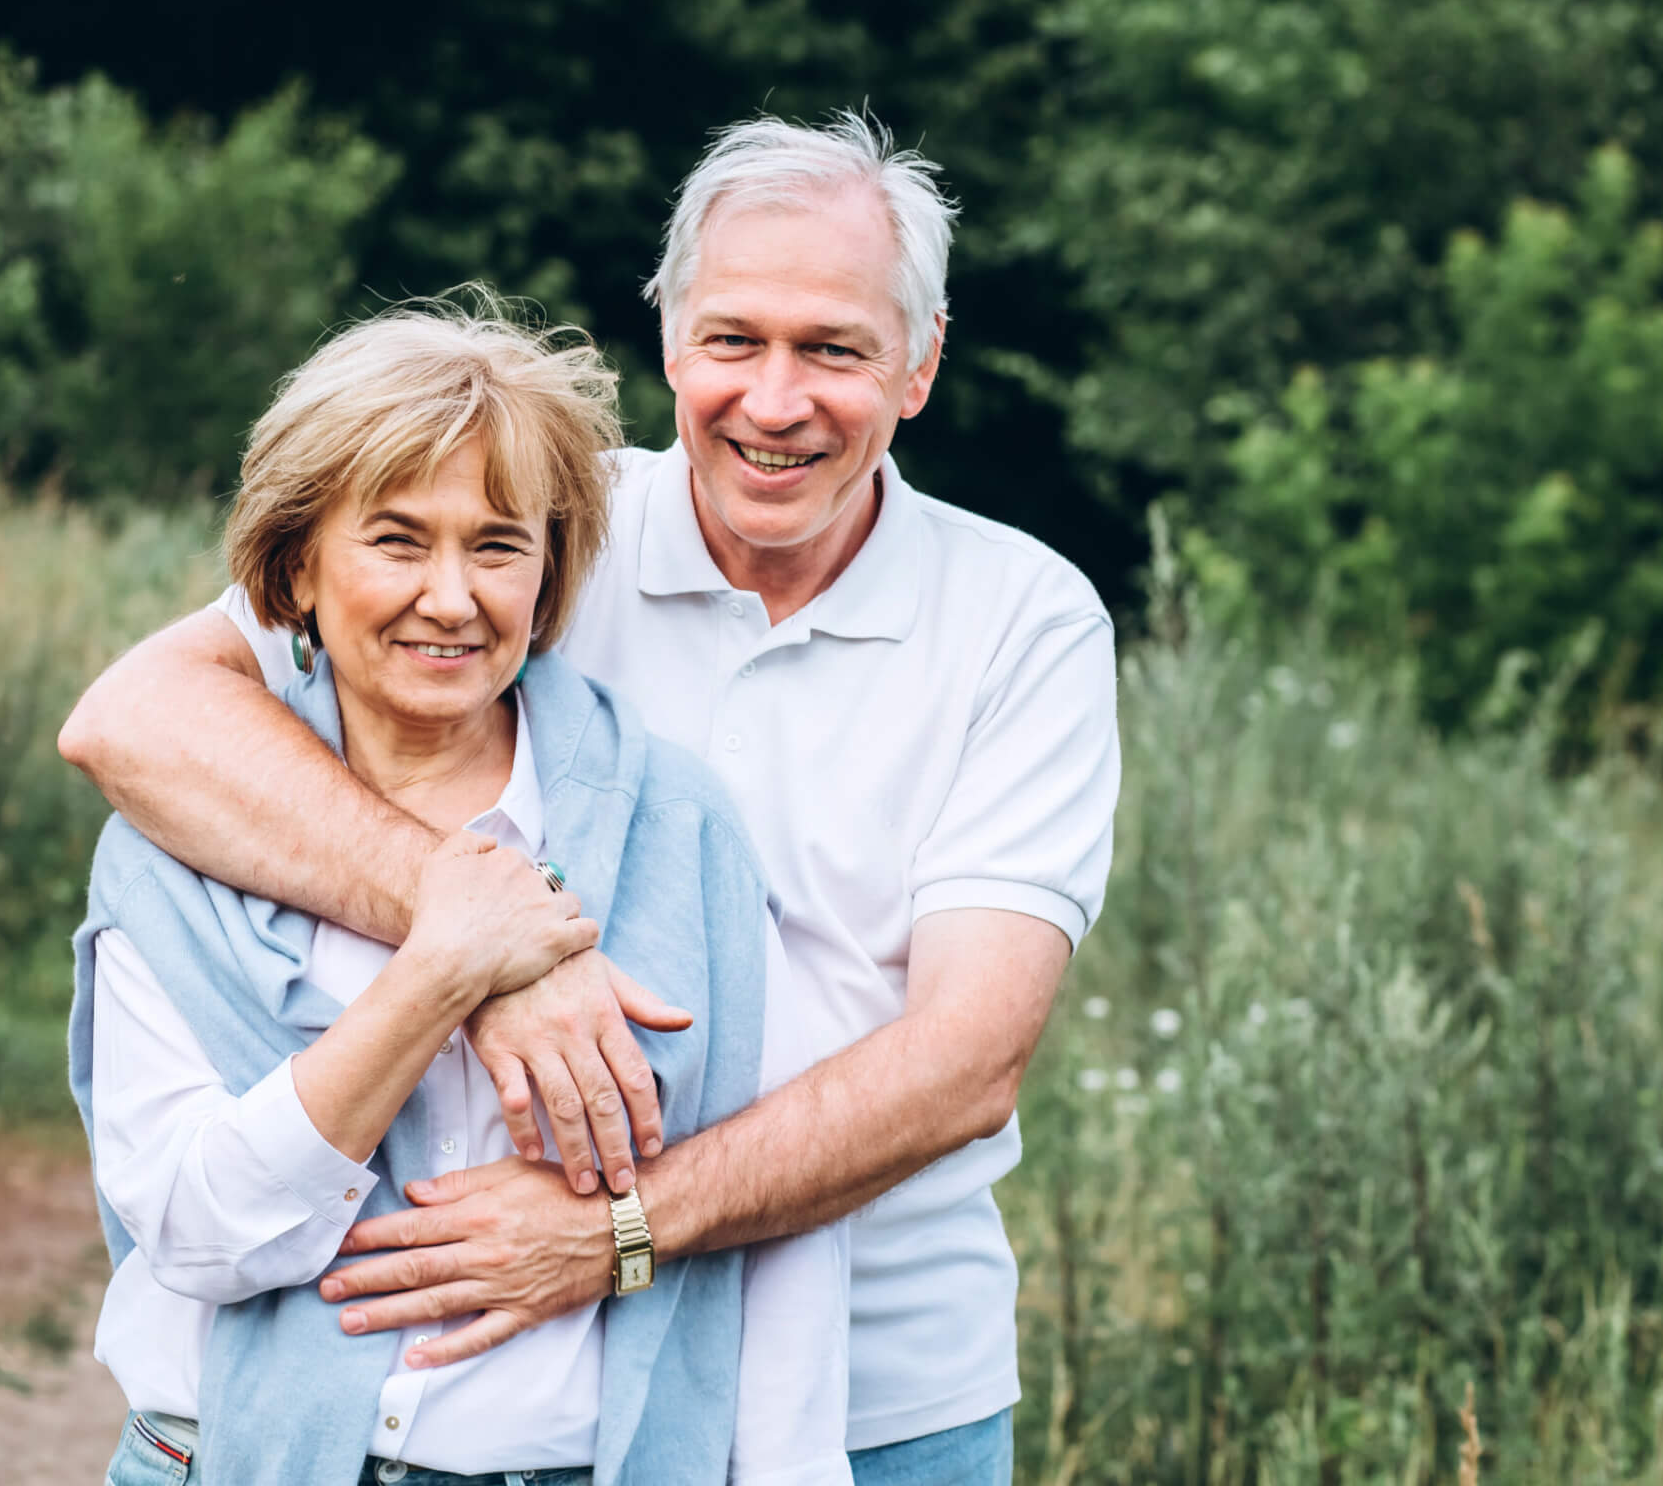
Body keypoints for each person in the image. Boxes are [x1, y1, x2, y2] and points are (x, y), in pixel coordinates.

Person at [60, 111, 1121, 1483]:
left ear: (918, 364)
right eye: (734, 339)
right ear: (671, 340)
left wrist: (612, 1232)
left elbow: (966, 1058)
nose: (776, 398)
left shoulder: (1020, 619)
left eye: (835, 349)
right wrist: (490, 946)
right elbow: (137, 717)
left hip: (885, 1382)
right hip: (485, 1396)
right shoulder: (527, 525)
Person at [65, 301, 852, 1486]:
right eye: (395, 541)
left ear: (547, 576)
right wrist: (451, 967)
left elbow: (783, 1242)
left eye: (497, 546)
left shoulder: (682, 831)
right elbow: (199, 1231)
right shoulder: (175, 842)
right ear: (296, 568)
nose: (452, 596)